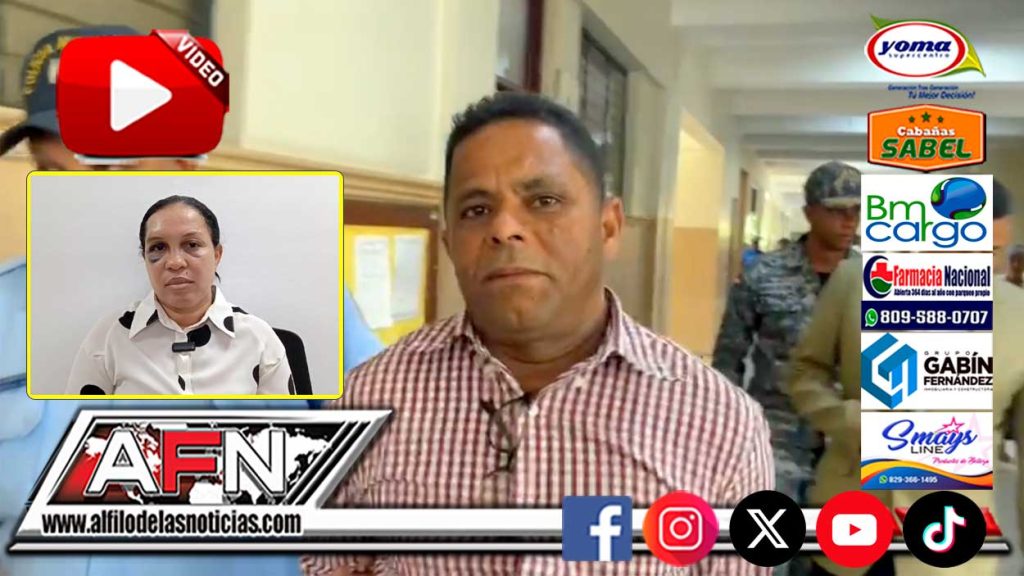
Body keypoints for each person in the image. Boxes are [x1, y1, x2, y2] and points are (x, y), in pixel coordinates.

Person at [302, 92, 773, 576]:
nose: (505, 228)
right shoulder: (368, 398)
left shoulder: (721, 423)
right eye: (476, 210)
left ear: (609, 227)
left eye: (544, 201)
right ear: (449, 243)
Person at [0, 25, 328, 576]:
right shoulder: (5, 307)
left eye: (105, 164)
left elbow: (377, 476)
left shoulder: (303, 303)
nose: (72, 196)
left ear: (184, 161)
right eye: (51, 171)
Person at [787, 180, 1024, 576]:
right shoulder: (857, 282)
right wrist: (845, 419)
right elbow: (805, 370)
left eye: (993, 251)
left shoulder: (1018, 315)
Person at [712, 161, 860, 517]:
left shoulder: (877, 279)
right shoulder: (763, 274)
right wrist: (727, 431)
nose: (849, 221)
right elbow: (728, 359)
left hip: (848, 438)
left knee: (841, 542)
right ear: (810, 213)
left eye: (857, 210)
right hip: (777, 436)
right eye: (836, 211)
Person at [64, 195, 293, 395]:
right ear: (145, 259)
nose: (175, 262)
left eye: (191, 244)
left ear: (217, 254)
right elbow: (77, 423)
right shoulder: (110, 337)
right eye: (158, 247)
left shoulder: (258, 339)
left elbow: (283, 427)